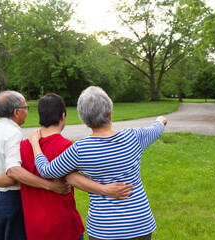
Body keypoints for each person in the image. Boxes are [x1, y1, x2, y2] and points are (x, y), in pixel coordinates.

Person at [29, 86, 167, 240]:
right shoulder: (134, 137)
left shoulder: (79, 150)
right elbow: (158, 128)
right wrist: (160, 120)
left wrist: (35, 142)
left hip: (104, 228)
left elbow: (46, 171)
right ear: (110, 114)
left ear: (84, 119)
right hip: (140, 223)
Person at [19, 93, 133, 240]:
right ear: (63, 116)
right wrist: (106, 189)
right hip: (63, 224)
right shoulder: (67, 146)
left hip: (34, 224)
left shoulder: (23, 146)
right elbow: (74, 179)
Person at [0, 90, 71, 240]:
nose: (27, 112)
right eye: (26, 108)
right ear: (16, 112)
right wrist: (50, 186)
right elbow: (13, 172)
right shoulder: (13, 133)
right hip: (10, 200)